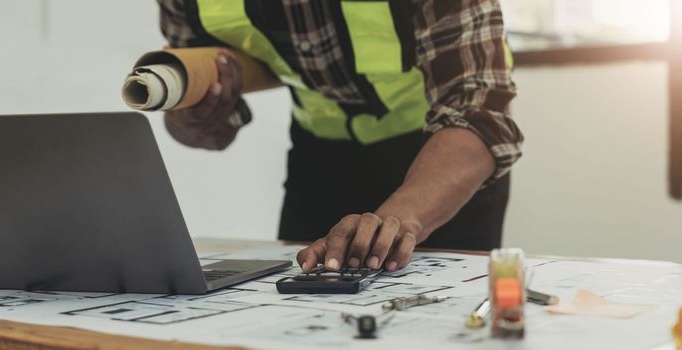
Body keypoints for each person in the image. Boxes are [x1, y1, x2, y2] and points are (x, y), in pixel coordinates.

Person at [157, 0, 523, 273]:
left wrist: (396, 222)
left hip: (440, 158)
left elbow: (479, 112)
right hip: (319, 159)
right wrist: (191, 120)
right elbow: (205, 128)